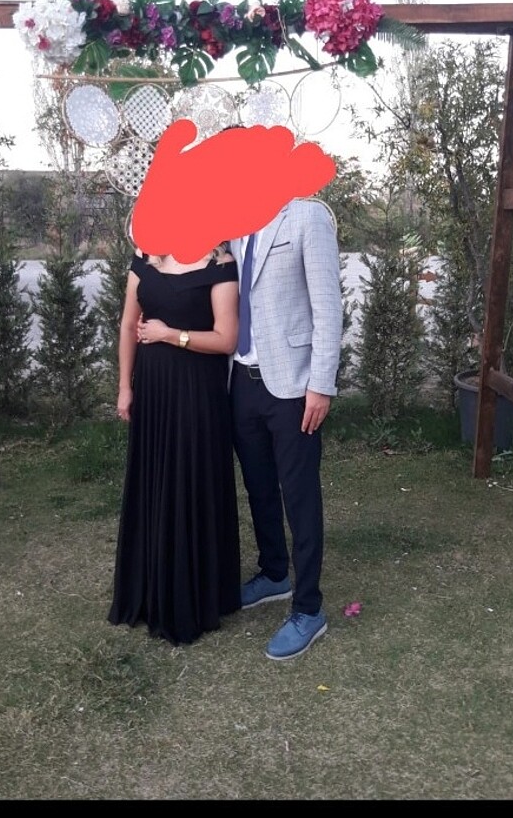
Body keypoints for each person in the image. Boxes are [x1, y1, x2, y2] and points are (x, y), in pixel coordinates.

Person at [108, 243, 241, 645]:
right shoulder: (146, 256)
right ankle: (150, 588)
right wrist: (125, 386)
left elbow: (226, 340)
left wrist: (170, 335)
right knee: (154, 480)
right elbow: (128, 325)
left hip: (197, 393)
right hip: (153, 391)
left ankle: (194, 595)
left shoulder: (220, 263)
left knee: (189, 480)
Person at [229, 196, 343, 661]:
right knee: (258, 488)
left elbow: (328, 307)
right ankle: (275, 573)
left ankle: (308, 607)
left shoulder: (305, 216)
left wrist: (321, 384)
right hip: (242, 381)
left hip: (294, 386)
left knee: (299, 495)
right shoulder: (233, 222)